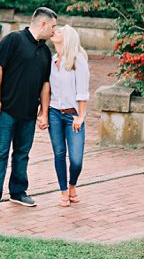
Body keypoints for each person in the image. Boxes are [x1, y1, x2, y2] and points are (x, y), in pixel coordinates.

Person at [0, 7, 56, 213]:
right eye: (53, 27)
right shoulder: (13, 39)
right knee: (0, 153)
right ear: (43, 24)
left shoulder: (45, 52)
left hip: (29, 114)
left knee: (22, 154)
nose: (54, 31)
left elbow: (45, 84)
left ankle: (18, 192)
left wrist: (43, 112)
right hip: (5, 110)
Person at [42, 24, 90, 207]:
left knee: (76, 160)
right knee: (59, 154)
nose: (54, 31)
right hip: (54, 113)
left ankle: (72, 185)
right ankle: (63, 191)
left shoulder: (78, 60)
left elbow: (83, 91)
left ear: (68, 38)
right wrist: (43, 114)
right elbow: (47, 89)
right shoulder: (52, 60)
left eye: (59, 31)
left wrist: (81, 116)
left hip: (73, 115)